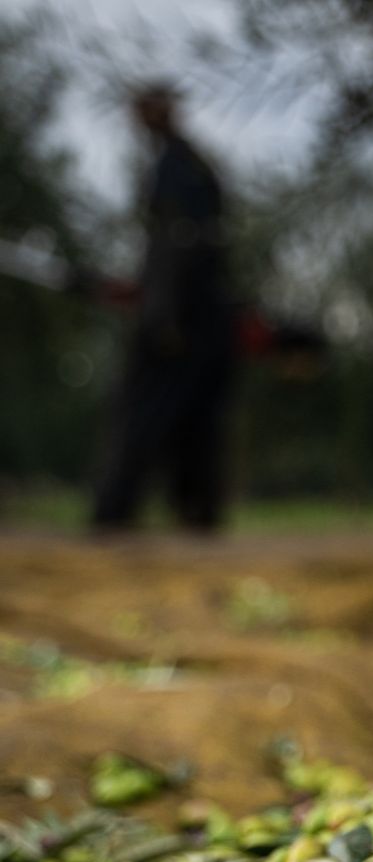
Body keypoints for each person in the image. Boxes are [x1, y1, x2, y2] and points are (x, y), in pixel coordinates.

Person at [91, 82, 236, 532]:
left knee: (146, 411)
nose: (137, 118)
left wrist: (161, 311)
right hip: (196, 310)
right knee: (193, 417)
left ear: (163, 110)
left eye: (145, 108)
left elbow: (178, 244)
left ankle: (117, 514)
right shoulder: (186, 164)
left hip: (182, 315)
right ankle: (196, 514)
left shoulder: (178, 168)